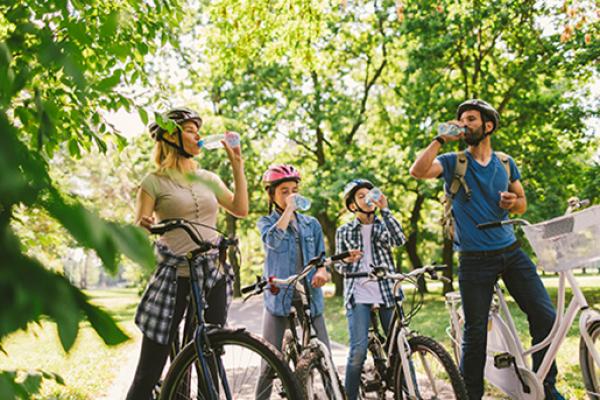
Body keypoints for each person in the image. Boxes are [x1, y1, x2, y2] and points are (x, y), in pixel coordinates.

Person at [409, 99, 563, 400]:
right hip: (474, 260)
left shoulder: (505, 162)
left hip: (511, 251)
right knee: (475, 333)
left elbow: (522, 202)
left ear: (487, 125)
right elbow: (418, 170)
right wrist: (441, 139)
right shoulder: (454, 161)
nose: (464, 124)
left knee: (545, 316)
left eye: (470, 119)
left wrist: (512, 203)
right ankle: (471, 396)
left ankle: (545, 386)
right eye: (461, 120)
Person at [126, 107, 248, 400]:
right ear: (171, 136)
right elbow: (140, 225)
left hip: (212, 274)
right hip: (174, 276)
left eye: (198, 129)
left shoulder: (208, 177)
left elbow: (240, 210)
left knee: (209, 354)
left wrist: (237, 165)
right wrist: (145, 225)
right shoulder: (153, 181)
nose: (199, 135)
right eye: (191, 130)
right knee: (150, 369)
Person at [255, 164, 331, 399]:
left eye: (294, 190)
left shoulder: (312, 224)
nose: (290, 196)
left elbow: (321, 259)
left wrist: (322, 272)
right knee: (269, 362)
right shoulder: (266, 223)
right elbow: (273, 242)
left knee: (323, 355)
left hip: (310, 297)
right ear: (272, 194)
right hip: (279, 298)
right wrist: (288, 211)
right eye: (284, 191)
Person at [335, 179, 406, 400]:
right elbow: (338, 266)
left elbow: (399, 240)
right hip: (358, 292)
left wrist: (386, 210)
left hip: (386, 290)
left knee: (401, 349)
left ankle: (409, 392)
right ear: (352, 205)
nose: (367, 198)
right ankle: (350, 396)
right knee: (358, 351)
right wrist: (346, 260)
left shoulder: (384, 223)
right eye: (360, 196)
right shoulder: (344, 230)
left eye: (370, 193)